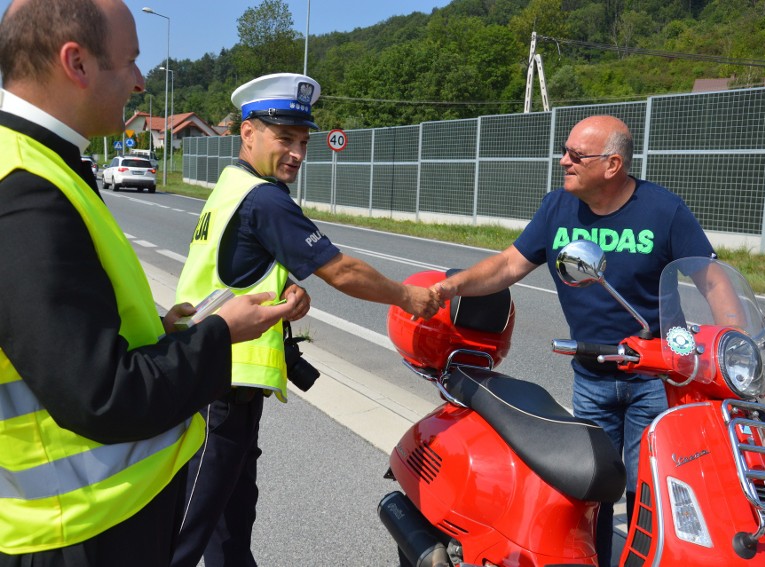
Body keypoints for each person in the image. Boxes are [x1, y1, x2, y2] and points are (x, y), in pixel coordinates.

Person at [0, 1, 299, 565]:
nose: (140, 81)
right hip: (75, 531)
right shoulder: (24, 189)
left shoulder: (41, 164)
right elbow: (100, 395)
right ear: (77, 63)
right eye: (131, 62)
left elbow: (58, 342)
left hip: (88, 519)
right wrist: (217, 335)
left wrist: (157, 335)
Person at [171, 72, 443, 567]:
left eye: (303, 141)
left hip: (215, 372)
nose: (297, 152)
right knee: (190, 529)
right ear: (247, 133)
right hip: (222, 381)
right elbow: (341, 270)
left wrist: (286, 292)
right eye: (284, 139)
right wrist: (407, 295)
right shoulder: (266, 198)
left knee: (230, 526)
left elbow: (235, 269)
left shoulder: (232, 186)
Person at [431, 115, 717, 567]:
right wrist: (451, 287)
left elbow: (712, 280)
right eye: (564, 151)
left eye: (575, 156)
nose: (562, 161)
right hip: (591, 376)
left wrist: (741, 346)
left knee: (651, 491)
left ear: (612, 164)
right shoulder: (556, 209)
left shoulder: (663, 210)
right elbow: (509, 265)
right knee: (592, 489)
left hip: (656, 378)